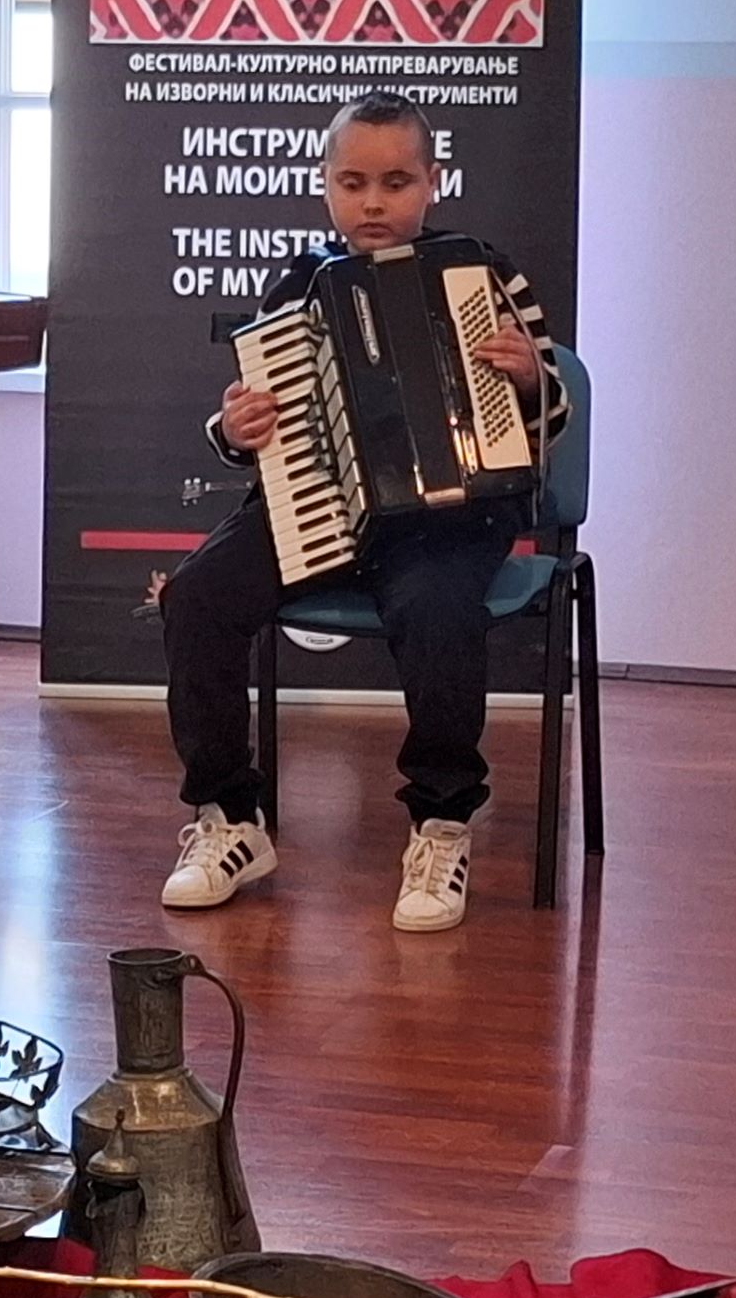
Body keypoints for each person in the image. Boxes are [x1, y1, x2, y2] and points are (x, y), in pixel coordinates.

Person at [156, 90, 570, 934]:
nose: (373, 202)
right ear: (325, 184)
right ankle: (230, 818)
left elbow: (550, 416)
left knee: (437, 609)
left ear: (432, 182)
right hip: (320, 505)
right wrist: (232, 430)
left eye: (395, 182)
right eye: (352, 183)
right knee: (198, 595)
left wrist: (531, 378)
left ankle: (442, 822)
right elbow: (251, 423)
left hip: (449, 516)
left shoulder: (484, 274)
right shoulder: (298, 284)